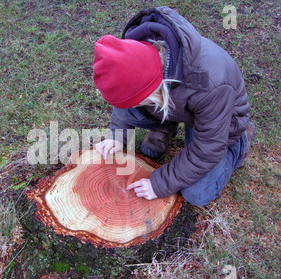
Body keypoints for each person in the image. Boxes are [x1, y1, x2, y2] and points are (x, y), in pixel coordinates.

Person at [92, 7, 256, 206]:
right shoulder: (138, 55)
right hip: (179, 101)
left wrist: (160, 183)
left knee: (197, 193)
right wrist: (118, 135)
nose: (131, 106)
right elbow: (125, 92)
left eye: (139, 100)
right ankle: (165, 126)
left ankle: (241, 144)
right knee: (133, 105)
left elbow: (207, 149)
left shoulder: (209, 83)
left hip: (222, 120)